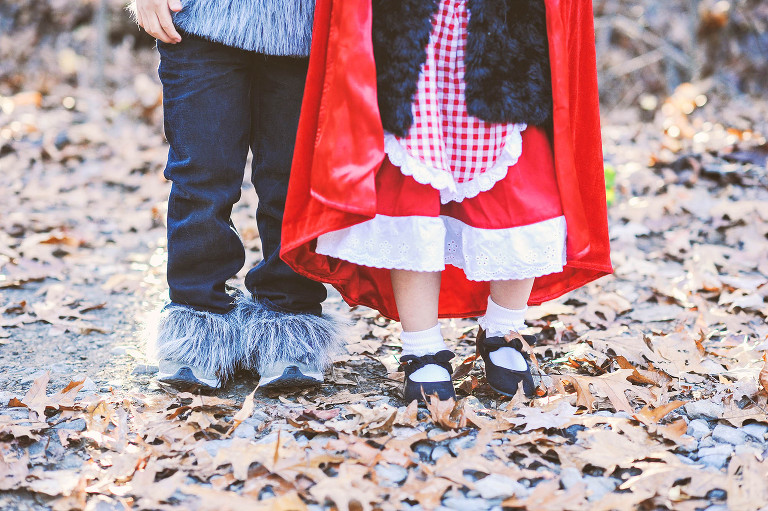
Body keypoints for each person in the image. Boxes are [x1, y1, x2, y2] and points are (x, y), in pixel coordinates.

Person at [282, 0, 613, 401]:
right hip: (414, 41)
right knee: (409, 195)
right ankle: (421, 347)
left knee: (522, 190)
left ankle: (503, 329)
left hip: (506, 30)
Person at [130, 0, 343, 392]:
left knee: (292, 180)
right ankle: (196, 320)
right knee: (201, 176)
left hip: (306, 25)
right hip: (197, 19)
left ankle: (290, 316)